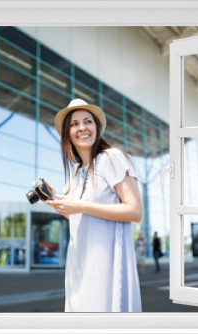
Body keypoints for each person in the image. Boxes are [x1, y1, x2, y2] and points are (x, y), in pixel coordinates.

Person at [43, 98, 143, 312]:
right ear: (68, 133)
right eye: (74, 124)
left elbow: (134, 211)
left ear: (96, 127)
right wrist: (57, 203)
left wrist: (79, 206)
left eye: (87, 121)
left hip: (106, 263)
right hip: (79, 263)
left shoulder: (111, 157)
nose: (82, 128)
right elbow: (79, 216)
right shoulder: (76, 173)